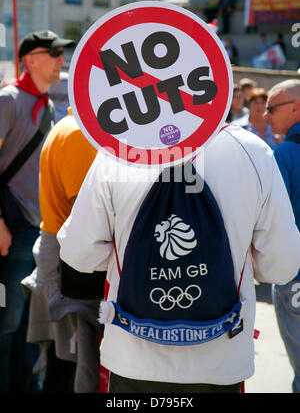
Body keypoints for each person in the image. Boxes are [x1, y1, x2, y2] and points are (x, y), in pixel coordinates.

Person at [57, 124, 300, 393]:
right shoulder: (251, 151)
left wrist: (131, 258)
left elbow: (78, 254)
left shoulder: (119, 150)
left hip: (133, 358)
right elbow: (282, 266)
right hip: (221, 359)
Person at [0, 30, 75, 392]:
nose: (62, 59)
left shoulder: (44, 105)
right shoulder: (8, 100)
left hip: (39, 231)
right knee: (6, 325)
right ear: (30, 59)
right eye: (55, 52)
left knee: (29, 328)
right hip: (11, 231)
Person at [21, 107, 100, 393]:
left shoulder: (71, 125)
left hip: (61, 255)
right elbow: (86, 213)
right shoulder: (81, 132)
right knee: (72, 365)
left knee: (64, 363)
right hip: (70, 259)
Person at [264, 79, 300, 393]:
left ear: (295, 107)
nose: (265, 115)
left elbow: (272, 221)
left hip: (294, 278)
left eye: (271, 108)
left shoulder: (283, 154)